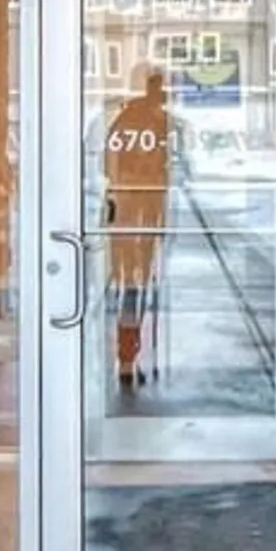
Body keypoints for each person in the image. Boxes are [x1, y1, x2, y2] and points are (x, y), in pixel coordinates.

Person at [102, 63, 176, 388]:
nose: (163, 95)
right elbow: (113, 164)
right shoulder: (146, 122)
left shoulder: (127, 121)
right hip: (135, 211)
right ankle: (127, 354)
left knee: (133, 284)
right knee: (133, 284)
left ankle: (128, 353)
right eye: (159, 88)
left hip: (137, 210)